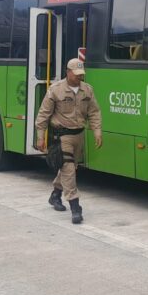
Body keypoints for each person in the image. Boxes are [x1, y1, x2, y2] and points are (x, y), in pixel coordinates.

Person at [35, 58, 103, 224]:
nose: (79, 77)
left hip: (79, 135)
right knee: (68, 170)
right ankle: (75, 207)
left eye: (81, 74)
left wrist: (97, 131)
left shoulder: (87, 90)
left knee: (72, 168)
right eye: (76, 74)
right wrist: (40, 135)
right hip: (62, 136)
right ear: (68, 72)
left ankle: (55, 195)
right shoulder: (55, 90)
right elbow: (44, 114)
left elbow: (94, 112)